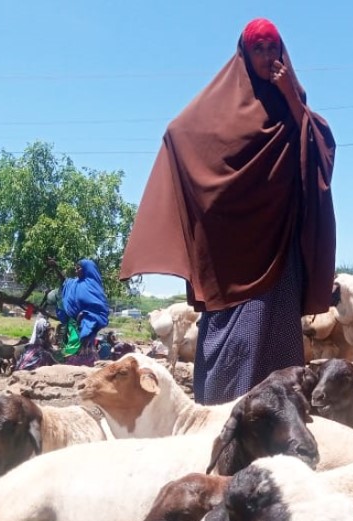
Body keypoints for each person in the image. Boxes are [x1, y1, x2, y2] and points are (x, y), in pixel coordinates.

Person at [119, 18, 336, 405]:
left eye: (274, 48)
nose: (268, 57)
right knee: (236, 338)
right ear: (244, 54)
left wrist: (290, 95)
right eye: (259, 49)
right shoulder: (219, 105)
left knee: (277, 333)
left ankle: (277, 419)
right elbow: (178, 133)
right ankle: (220, 421)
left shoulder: (293, 101)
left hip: (279, 247)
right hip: (233, 255)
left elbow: (319, 150)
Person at [55, 259, 111, 367]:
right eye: (75, 269)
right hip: (73, 323)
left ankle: (84, 361)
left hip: (88, 321)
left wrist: (86, 315)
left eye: (78, 268)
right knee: (71, 347)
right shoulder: (73, 283)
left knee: (85, 343)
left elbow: (99, 307)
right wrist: (55, 267)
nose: (76, 271)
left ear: (87, 269)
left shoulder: (93, 285)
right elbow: (64, 280)